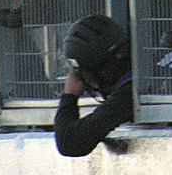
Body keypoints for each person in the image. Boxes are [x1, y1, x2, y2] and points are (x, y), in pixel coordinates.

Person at [55, 13, 133, 157]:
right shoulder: (137, 80)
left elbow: (69, 144)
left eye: (81, 73)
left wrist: (69, 96)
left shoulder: (129, 93)